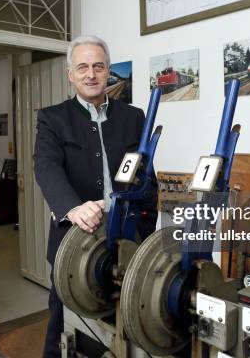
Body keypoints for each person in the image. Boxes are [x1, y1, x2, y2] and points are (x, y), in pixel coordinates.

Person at [34, 35, 158, 357]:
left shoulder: (134, 117)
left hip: (125, 242)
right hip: (73, 245)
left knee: (124, 322)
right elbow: (46, 168)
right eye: (83, 67)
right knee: (63, 324)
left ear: (108, 73)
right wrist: (73, 208)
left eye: (98, 66)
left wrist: (143, 236)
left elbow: (147, 179)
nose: (91, 74)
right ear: (70, 74)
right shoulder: (52, 118)